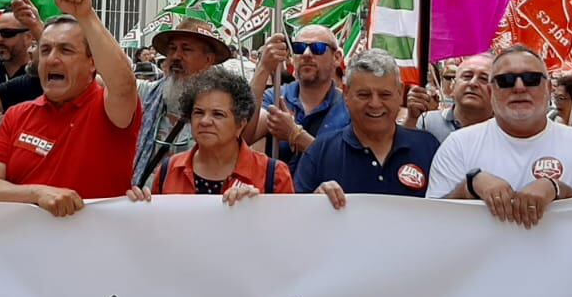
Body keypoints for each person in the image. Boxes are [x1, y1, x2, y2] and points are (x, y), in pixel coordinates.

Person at [0, 0, 142, 215]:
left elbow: (124, 83)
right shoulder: (16, 116)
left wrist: (86, 15)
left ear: (92, 62)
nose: (51, 60)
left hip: (95, 249)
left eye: (66, 50)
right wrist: (38, 193)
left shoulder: (108, 110)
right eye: (45, 50)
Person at [428, 46, 572, 226]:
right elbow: (433, 225)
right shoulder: (458, 145)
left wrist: (559, 190)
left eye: (531, 79)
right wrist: (469, 187)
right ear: (492, 90)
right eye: (506, 80)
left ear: (549, 88)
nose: (519, 87)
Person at [294, 50, 436, 206]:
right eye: (364, 94)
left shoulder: (428, 147)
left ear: (400, 92)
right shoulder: (320, 152)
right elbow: (297, 221)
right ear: (346, 94)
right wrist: (313, 202)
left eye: (385, 95)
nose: (375, 104)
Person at [131, 70, 292, 199]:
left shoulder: (274, 174)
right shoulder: (169, 169)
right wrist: (143, 208)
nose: (205, 121)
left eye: (218, 114)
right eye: (198, 112)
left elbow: (287, 233)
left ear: (240, 124)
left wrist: (256, 209)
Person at [131, 17, 232, 190]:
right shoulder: (148, 94)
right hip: (144, 205)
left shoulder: (225, 108)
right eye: (172, 49)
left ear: (208, 59)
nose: (176, 56)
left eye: (186, 49)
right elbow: (114, 82)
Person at [248, 26, 351, 168]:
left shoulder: (349, 107)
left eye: (318, 48)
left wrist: (295, 135)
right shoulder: (276, 97)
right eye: (299, 47)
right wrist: (263, 67)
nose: (307, 54)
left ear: (337, 57)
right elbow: (245, 135)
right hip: (280, 189)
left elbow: (347, 167)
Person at [419, 55, 492, 142]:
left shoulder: (504, 132)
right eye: (467, 76)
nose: (473, 83)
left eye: (483, 79)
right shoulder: (427, 122)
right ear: (453, 86)